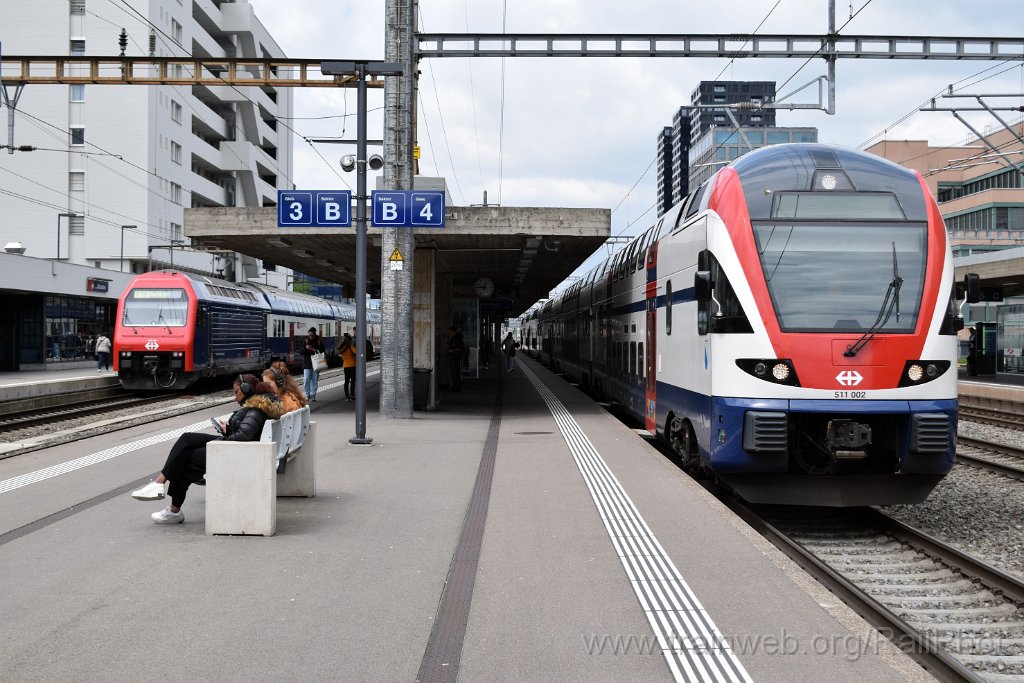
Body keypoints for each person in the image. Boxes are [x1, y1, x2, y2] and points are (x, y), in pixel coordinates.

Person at [130, 374, 285, 524]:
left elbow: (243, 436)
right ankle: (161, 488)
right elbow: (247, 433)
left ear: (246, 389)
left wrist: (222, 439)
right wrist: (228, 430)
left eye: (236, 392)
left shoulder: (255, 409)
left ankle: (171, 505)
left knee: (186, 457)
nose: (235, 396)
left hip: (238, 452)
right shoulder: (259, 405)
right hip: (242, 449)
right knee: (187, 439)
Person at [300, 327, 324, 401]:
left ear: (314, 334)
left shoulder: (319, 341)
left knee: (314, 380)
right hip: (307, 363)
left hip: (316, 364)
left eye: (312, 335)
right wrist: (306, 348)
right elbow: (301, 352)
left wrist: (314, 349)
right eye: (309, 335)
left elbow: (323, 350)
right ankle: (307, 394)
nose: (310, 337)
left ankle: (313, 395)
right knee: (306, 379)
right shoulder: (305, 341)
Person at [447, 325, 464, 392]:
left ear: (454, 331)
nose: (449, 333)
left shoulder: (458, 337)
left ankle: (456, 387)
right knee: (454, 373)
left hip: (455, 357)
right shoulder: (454, 337)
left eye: (450, 332)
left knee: (455, 373)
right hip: (453, 357)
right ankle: (455, 386)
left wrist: (453, 350)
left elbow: (460, 347)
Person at [340, 332, 356, 401]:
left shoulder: (342, 347)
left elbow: (340, 355)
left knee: (346, 381)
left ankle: (347, 396)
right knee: (352, 381)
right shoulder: (350, 346)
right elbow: (356, 352)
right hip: (352, 365)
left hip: (345, 365)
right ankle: (352, 395)